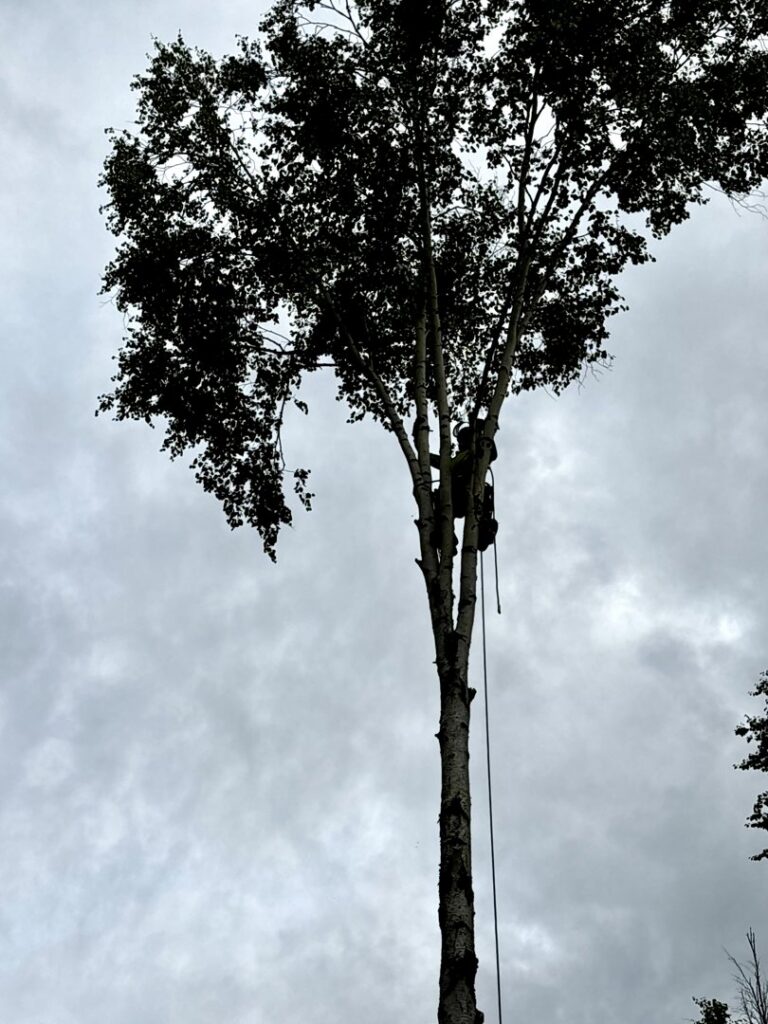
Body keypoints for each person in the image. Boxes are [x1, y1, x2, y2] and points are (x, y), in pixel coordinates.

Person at [429, 419, 498, 553]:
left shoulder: (475, 452)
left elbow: (491, 453)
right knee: (442, 508)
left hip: (468, 491)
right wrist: (425, 456)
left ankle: (483, 530)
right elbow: (444, 464)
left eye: (462, 440)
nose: (460, 444)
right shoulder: (458, 458)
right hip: (457, 495)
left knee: (445, 503)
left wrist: (480, 430)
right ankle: (446, 536)